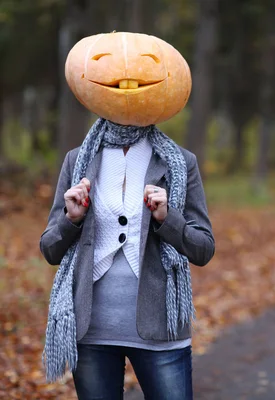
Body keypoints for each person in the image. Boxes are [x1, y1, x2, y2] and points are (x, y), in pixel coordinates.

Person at [39, 119, 215, 399]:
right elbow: (49, 249)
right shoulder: (78, 159)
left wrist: (168, 218)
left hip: (161, 328)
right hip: (90, 331)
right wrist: (71, 219)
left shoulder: (180, 161)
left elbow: (203, 248)